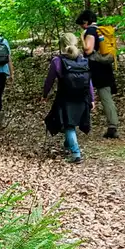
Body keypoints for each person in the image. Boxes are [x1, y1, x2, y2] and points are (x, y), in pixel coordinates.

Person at [42, 33, 95, 164]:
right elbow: (89, 82)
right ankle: (68, 144)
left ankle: (76, 153)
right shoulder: (82, 59)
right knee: (69, 123)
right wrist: (92, 99)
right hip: (82, 98)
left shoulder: (57, 61)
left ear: (61, 45)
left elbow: (49, 81)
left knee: (68, 125)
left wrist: (44, 95)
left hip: (65, 98)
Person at [76, 9, 119, 138]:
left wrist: (82, 38)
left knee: (83, 94)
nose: (81, 26)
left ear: (85, 21)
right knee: (106, 97)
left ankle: (79, 123)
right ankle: (113, 126)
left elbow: (88, 50)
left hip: (94, 69)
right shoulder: (101, 30)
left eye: (81, 24)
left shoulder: (89, 31)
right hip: (105, 67)